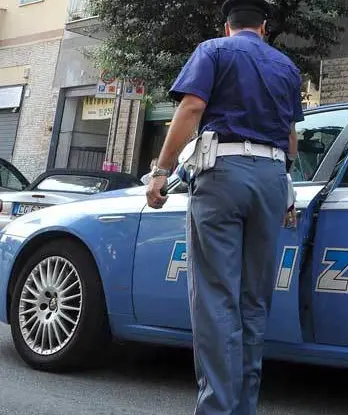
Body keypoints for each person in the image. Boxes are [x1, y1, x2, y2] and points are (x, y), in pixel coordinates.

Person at [144, 0, 304, 413]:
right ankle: (243, 407)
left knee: (216, 299)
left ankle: (217, 408)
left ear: (227, 26)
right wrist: (286, 188)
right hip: (272, 179)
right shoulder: (287, 67)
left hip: (223, 175)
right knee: (254, 301)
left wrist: (161, 171)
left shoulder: (213, 50)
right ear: (264, 27)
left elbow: (192, 107)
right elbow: (290, 136)